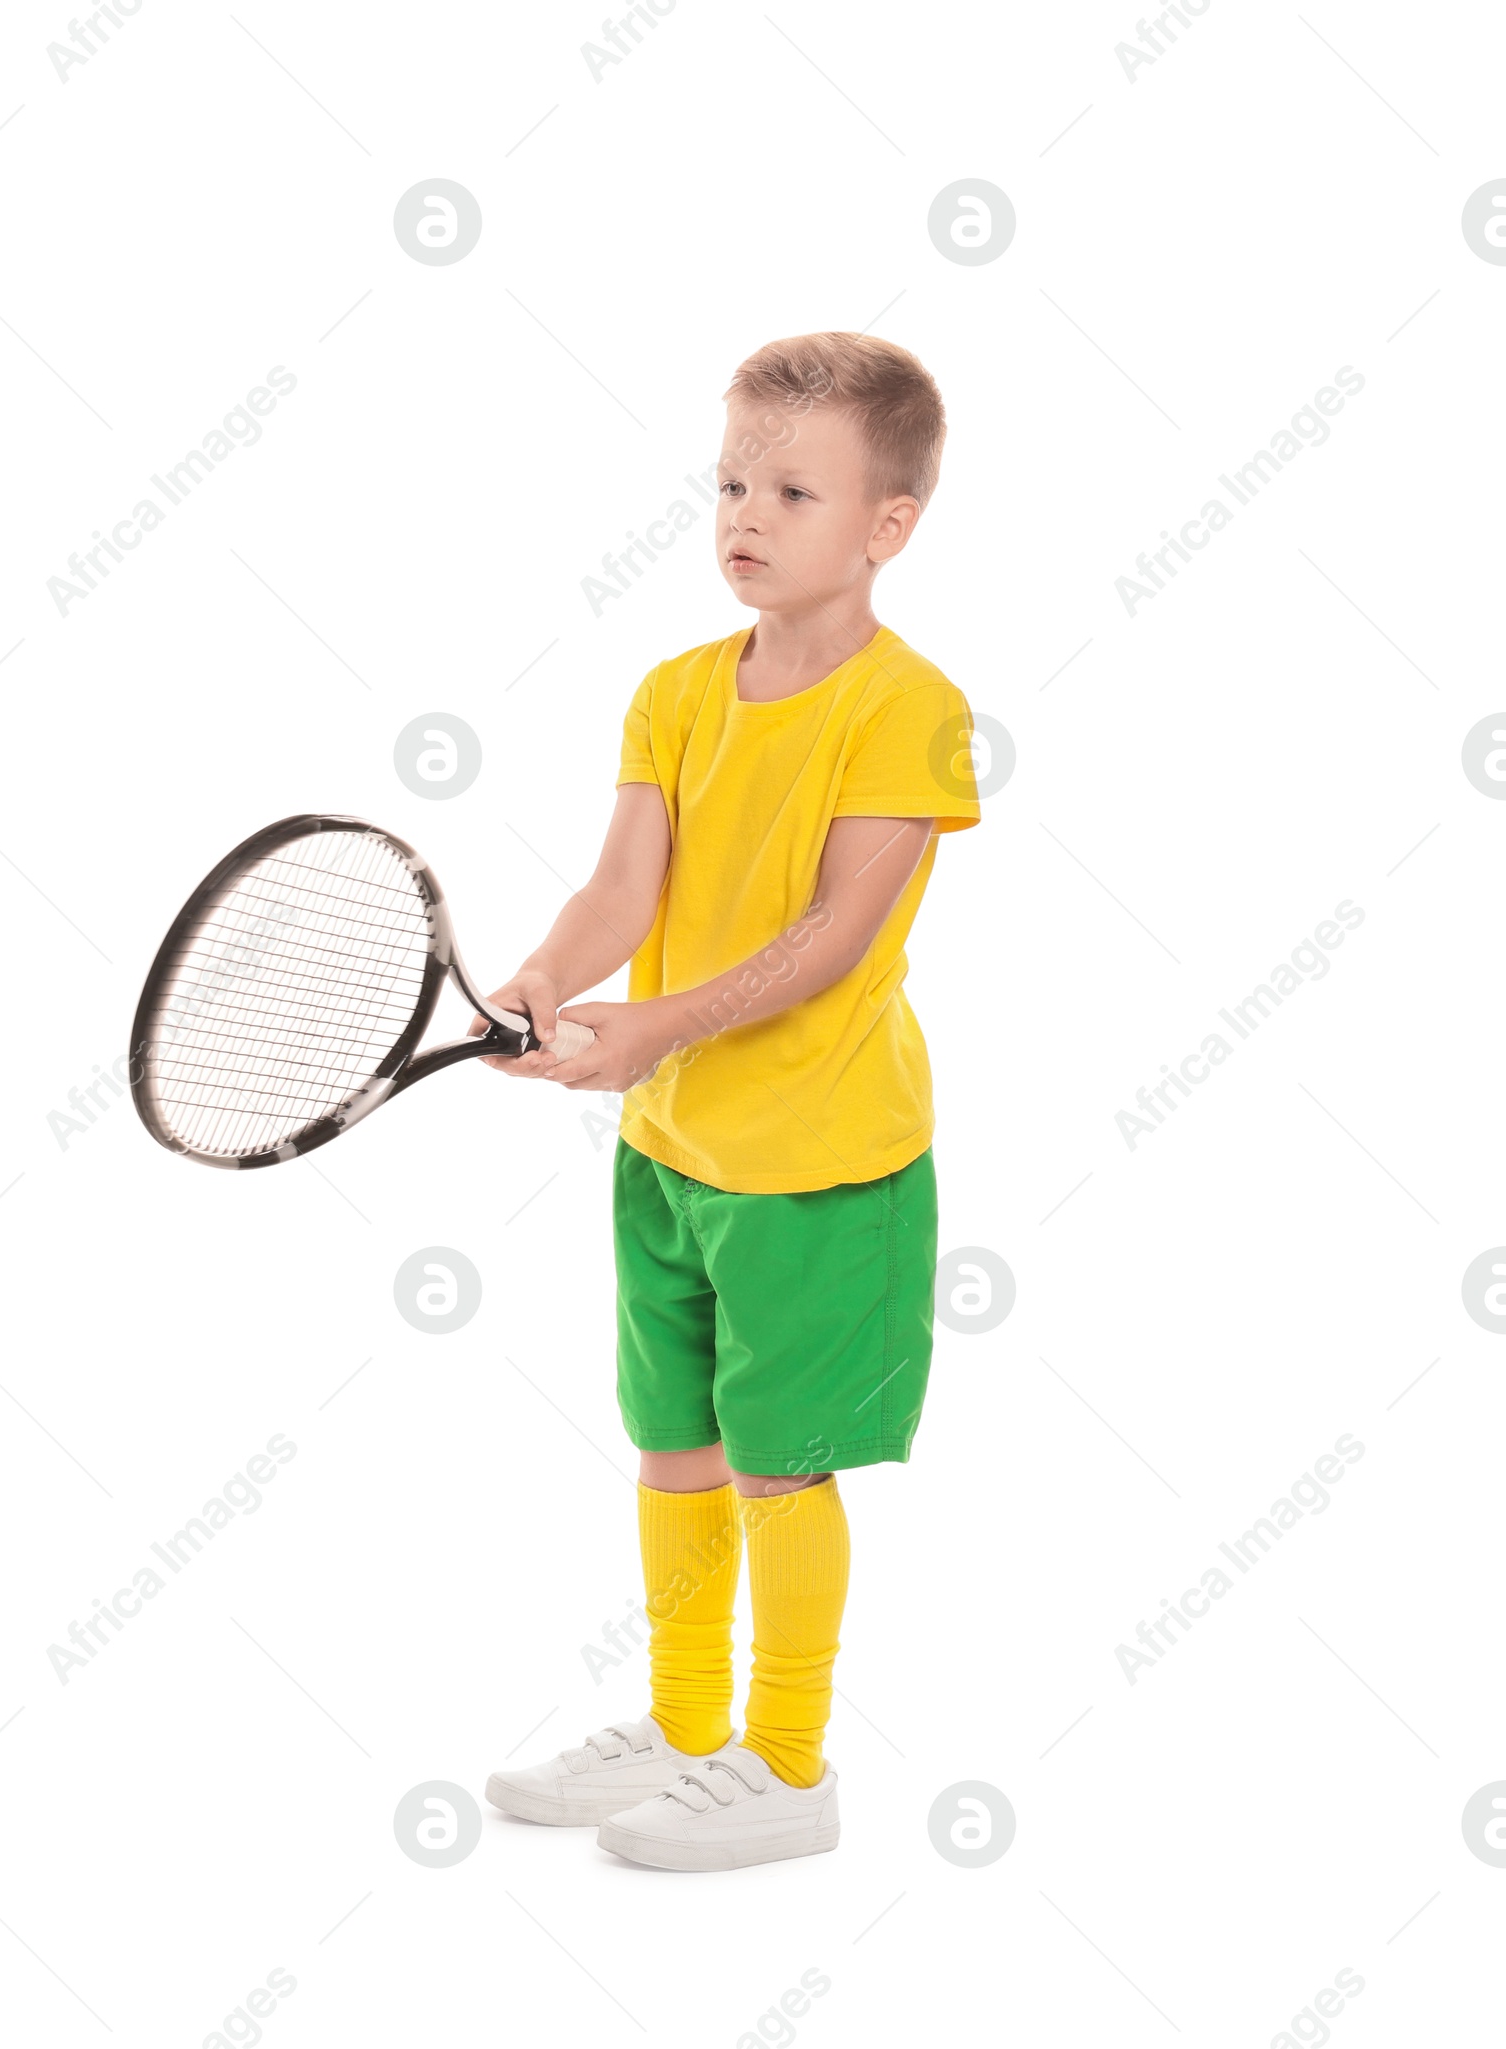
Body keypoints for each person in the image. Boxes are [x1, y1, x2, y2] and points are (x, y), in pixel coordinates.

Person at [479, 331, 980, 1870]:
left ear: (887, 525)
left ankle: (788, 1762)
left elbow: (834, 939)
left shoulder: (909, 710)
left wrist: (652, 1030)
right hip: (672, 1150)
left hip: (820, 1167)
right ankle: (690, 1727)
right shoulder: (678, 691)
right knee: (676, 1448)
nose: (744, 518)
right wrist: (542, 982)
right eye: (730, 484)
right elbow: (624, 886)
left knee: (778, 1463)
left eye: (793, 490)